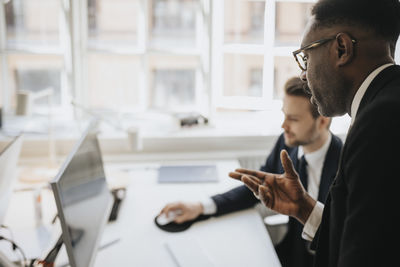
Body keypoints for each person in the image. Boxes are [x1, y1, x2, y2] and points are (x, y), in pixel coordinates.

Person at [229, 0, 400, 266]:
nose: (304, 75)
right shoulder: (381, 106)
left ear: (341, 49)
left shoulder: (381, 120)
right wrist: (305, 209)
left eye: (306, 57)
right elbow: (373, 237)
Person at [159, 77, 343, 267]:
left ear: (322, 121)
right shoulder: (287, 144)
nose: (283, 126)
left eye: (293, 119)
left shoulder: (345, 165)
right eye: (284, 115)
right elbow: (256, 189)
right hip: (291, 255)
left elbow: (346, 236)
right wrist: (200, 207)